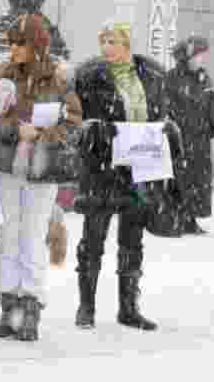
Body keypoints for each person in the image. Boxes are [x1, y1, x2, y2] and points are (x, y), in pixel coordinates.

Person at [72, 20, 180, 332]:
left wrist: (165, 132)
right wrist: (97, 131)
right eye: (103, 41)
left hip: (138, 165)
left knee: (132, 239)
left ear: (126, 44)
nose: (106, 47)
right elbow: (81, 119)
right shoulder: (90, 77)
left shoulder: (149, 76)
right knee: (93, 239)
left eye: (113, 41)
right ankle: (87, 306)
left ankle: (129, 307)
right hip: (102, 166)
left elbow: (158, 113)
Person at [0, 12, 82, 341]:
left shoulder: (59, 79)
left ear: (36, 44)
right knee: (8, 235)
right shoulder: (1, 75)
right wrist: (15, 129)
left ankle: (30, 307)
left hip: (42, 168)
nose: (13, 50)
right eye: (10, 43)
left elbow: (73, 124)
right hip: (7, 167)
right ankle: (8, 304)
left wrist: (42, 134)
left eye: (19, 44)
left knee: (33, 236)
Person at [166, 36, 214, 235]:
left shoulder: (203, 77)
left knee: (198, 179)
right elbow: (170, 107)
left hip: (200, 138)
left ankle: (191, 217)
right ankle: (179, 217)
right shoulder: (173, 78)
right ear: (187, 56)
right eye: (199, 55)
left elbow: (210, 103)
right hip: (182, 138)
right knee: (181, 178)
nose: (202, 60)